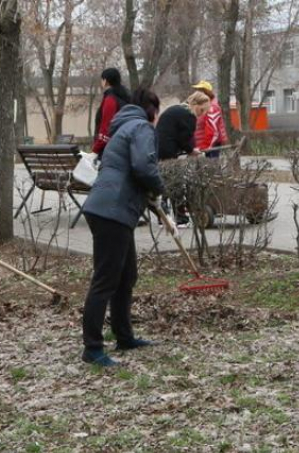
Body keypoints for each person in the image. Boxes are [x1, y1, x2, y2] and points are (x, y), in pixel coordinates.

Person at [80, 88, 175, 367]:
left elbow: (127, 169)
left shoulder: (122, 128)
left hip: (108, 208)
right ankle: (92, 348)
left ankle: (124, 336)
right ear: (151, 110)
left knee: (126, 275)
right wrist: (159, 190)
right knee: (106, 279)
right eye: (157, 113)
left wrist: (148, 194)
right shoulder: (141, 128)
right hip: (113, 210)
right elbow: (144, 167)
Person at [156, 91, 212, 225]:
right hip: (168, 150)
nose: (202, 113)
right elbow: (185, 138)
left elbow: (184, 136)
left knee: (166, 180)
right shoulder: (189, 115)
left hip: (160, 148)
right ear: (195, 104)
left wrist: (191, 148)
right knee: (176, 182)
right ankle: (180, 217)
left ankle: (162, 215)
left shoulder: (178, 109)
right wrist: (192, 150)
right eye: (202, 109)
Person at [91, 67, 131, 159]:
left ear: (105, 81)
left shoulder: (110, 99)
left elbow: (106, 127)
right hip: (123, 146)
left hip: (110, 150)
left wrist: (95, 150)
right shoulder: (124, 97)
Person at [191, 80, 228, 157]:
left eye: (200, 91)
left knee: (211, 166)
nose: (197, 93)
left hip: (210, 144)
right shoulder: (202, 106)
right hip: (203, 144)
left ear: (206, 93)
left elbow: (213, 131)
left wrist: (205, 147)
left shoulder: (212, 108)